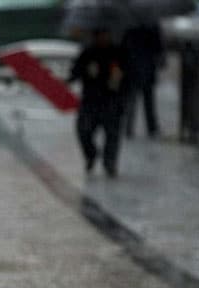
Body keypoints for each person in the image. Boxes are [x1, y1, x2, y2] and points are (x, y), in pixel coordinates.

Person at [69, 28, 129, 177]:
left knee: (112, 135)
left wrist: (120, 82)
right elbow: (75, 72)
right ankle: (91, 154)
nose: (104, 38)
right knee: (84, 131)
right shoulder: (88, 53)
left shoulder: (118, 53)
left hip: (111, 100)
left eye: (106, 35)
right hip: (91, 101)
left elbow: (129, 75)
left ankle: (109, 162)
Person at [121, 23, 163, 138]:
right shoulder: (152, 24)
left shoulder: (129, 23)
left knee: (132, 99)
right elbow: (158, 46)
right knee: (148, 100)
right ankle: (151, 128)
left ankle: (129, 127)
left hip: (133, 66)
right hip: (147, 66)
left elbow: (123, 44)